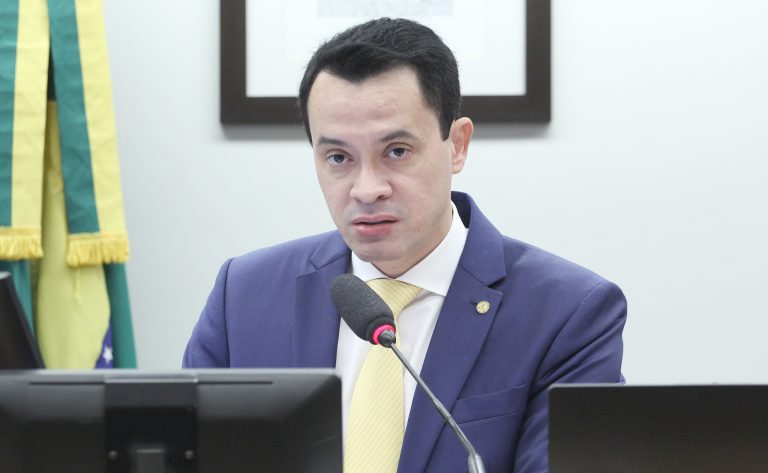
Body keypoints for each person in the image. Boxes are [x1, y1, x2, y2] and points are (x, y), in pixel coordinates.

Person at [184, 18, 626, 473]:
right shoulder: (244, 297)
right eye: (338, 157)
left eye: (396, 151)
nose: (366, 189)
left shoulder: (567, 313)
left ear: (457, 145)